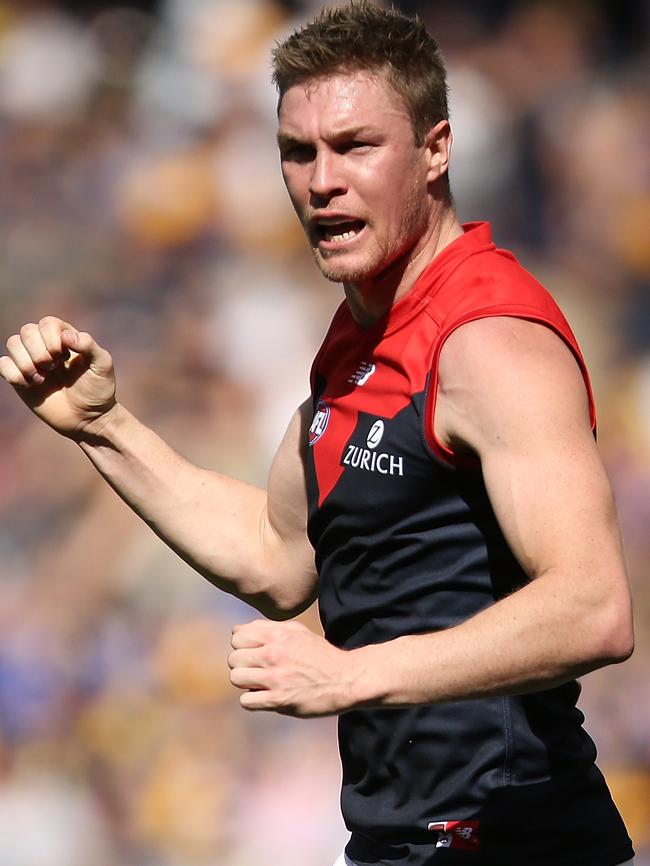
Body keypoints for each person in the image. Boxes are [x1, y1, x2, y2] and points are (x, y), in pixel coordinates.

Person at [0, 2, 636, 864]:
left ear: (437, 149)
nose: (321, 181)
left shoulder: (489, 339)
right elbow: (277, 555)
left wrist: (354, 673)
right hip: (397, 841)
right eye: (298, 153)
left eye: (355, 146)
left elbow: (594, 609)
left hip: (511, 838)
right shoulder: (357, 341)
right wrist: (105, 429)